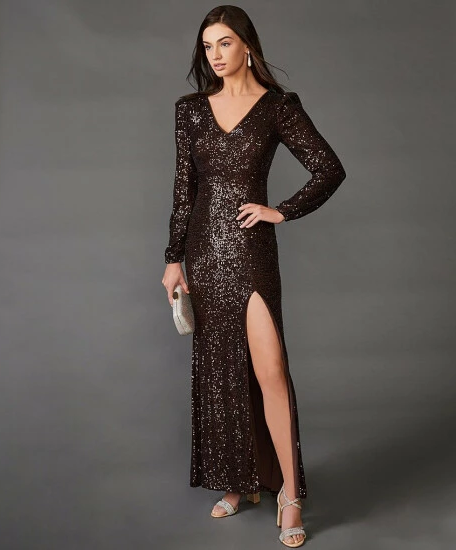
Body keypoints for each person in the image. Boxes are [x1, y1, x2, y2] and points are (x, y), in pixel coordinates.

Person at [161, 5, 346, 548]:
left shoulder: (277, 108)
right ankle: (240, 482)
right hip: (204, 254)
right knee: (222, 372)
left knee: (270, 371)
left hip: (251, 252)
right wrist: (173, 258)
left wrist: (280, 211)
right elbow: (184, 190)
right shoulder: (190, 111)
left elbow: (329, 168)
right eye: (207, 46)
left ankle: (290, 493)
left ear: (247, 45)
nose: (215, 55)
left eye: (224, 43)